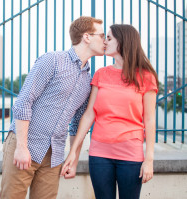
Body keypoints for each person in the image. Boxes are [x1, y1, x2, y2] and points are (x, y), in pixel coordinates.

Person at [0, 16, 105, 199]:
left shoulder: (87, 80)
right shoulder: (53, 60)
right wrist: (22, 147)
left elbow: (78, 124)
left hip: (54, 154)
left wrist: (73, 159)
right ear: (87, 37)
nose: (105, 41)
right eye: (102, 35)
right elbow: (24, 101)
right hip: (25, 143)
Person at [61, 24, 158, 199]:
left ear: (123, 41)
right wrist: (73, 152)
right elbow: (90, 114)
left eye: (109, 38)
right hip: (99, 154)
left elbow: (150, 120)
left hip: (131, 154)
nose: (105, 42)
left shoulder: (146, 77)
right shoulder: (101, 74)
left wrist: (149, 160)